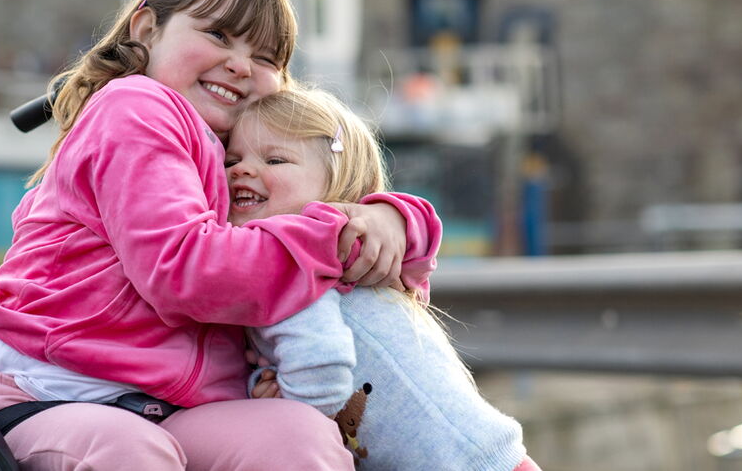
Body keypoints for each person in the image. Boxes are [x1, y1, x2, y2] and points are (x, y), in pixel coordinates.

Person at [0, 0, 441, 469]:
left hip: (176, 409)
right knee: (128, 450)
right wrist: (338, 240)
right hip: (49, 388)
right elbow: (184, 270)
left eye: (267, 58)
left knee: (300, 437)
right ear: (147, 28)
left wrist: (394, 220)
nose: (240, 64)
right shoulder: (135, 109)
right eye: (219, 35)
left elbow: (330, 210)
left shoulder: (247, 158)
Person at [230, 86, 539, 471]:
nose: (241, 169)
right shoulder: (342, 262)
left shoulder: (292, 258)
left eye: (274, 159)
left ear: (335, 184)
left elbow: (320, 377)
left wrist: (279, 408)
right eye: (232, 159)